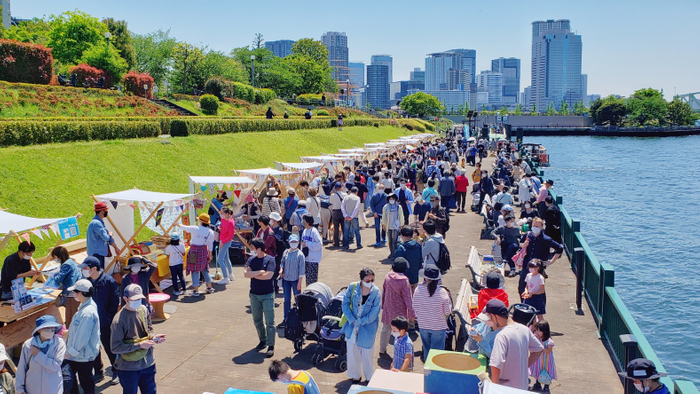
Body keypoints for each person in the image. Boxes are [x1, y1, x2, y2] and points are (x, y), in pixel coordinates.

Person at [110, 284, 165, 394]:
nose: (138, 301)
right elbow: (115, 348)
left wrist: (153, 337)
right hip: (128, 368)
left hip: (148, 363)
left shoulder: (143, 309)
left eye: (140, 298)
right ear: (125, 299)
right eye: (135, 299)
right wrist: (139, 345)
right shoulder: (118, 321)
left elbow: (149, 328)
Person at [81, 257, 120, 386]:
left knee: (110, 347)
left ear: (93, 268)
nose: (83, 271)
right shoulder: (86, 282)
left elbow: (114, 302)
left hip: (105, 322)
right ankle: (98, 371)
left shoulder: (108, 281)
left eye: (85, 268)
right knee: (93, 347)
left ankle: (116, 370)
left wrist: (108, 318)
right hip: (90, 322)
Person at [489, 300, 544, 390]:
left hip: (506, 389)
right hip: (522, 387)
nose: (489, 322)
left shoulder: (502, 336)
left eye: (489, 318)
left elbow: (495, 364)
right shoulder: (524, 329)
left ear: (494, 316)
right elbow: (539, 349)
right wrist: (523, 367)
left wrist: (495, 386)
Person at [341, 268, 381, 383]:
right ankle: (355, 375)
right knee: (353, 351)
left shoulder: (376, 292)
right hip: (352, 326)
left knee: (367, 353)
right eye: (367, 280)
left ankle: (369, 377)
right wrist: (351, 319)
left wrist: (359, 321)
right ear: (361, 279)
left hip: (368, 327)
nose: (370, 282)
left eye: (372, 280)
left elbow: (374, 313)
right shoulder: (353, 287)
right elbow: (345, 304)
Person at [64, 279, 101, 394]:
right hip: (81, 354)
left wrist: (71, 352)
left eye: (74, 292)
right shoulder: (86, 306)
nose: (73, 294)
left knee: (85, 382)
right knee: (84, 381)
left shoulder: (87, 313)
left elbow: (82, 336)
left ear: (80, 293)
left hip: (81, 355)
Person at [16, 315, 65, 394]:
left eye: (52, 328)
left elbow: (55, 366)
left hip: (53, 389)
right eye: (46, 328)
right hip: (32, 389)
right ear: (39, 330)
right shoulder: (28, 344)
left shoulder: (59, 344)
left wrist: (38, 355)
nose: (50, 331)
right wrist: (20, 389)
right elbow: (22, 368)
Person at [244, 238, 276, 358]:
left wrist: (254, 274)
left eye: (252, 247)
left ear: (259, 249)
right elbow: (246, 274)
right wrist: (259, 272)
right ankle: (262, 340)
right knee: (257, 320)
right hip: (254, 294)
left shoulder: (270, 260)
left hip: (267, 294)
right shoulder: (251, 260)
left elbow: (268, 276)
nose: (251, 249)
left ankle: (271, 345)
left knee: (270, 321)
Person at [412, 266, 452, 362]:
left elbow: (415, 307)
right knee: (437, 353)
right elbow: (447, 312)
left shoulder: (418, 290)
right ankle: (435, 371)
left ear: (425, 278)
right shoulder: (442, 292)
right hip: (439, 326)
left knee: (426, 350)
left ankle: (428, 369)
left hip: (423, 325)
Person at [518, 218, 563, 301]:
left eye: (537, 226)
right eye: (534, 225)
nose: (535, 227)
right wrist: (523, 245)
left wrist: (551, 261)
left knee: (538, 289)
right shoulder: (528, 235)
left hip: (539, 268)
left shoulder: (546, 239)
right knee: (522, 286)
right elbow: (520, 244)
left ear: (542, 227)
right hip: (526, 265)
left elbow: (559, 248)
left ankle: (538, 308)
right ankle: (524, 305)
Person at [379, 258, 415, 355]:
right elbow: (408, 298)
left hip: (388, 307)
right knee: (400, 333)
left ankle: (382, 349)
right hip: (400, 311)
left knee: (385, 329)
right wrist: (412, 313)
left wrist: (383, 305)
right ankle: (399, 351)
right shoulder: (404, 281)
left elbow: (384, 292)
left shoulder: (387, 277)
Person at [178, 213, 216, 296]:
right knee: (205, 269)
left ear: (201, 221)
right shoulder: (210, 232)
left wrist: (177, 224)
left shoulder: (195, 228)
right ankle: (209, 287)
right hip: (203, 251)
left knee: (195, 270)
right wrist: (210, 255)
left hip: (194, 251)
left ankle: (196, 290)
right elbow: (210, 245)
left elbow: (184, 227)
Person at [50, 246, 81, 327]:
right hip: (76, 291)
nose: (55, 259)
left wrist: (53, 275)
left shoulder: (66, 265)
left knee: (71, 317)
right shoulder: (72, 262)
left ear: (59, 256)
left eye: (55, 257)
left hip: (70, 294)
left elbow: (59, 279)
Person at [279, 234, 305, 326]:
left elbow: (301, 270)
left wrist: (300, 282)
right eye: (292, 242)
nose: (293, 243)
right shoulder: (286, 252)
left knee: (297, 300)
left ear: (298, 242)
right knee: (286, 300)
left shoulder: (300, 255)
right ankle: (286, 319)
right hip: (286, 279)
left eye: (295, 242)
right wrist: (281, 269)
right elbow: (282, 262)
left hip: (295, 280)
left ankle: (299, 319)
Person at [529, 320, 557, 392]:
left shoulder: (548, 341)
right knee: (538, 371)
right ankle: (537, 384)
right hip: (538, 360)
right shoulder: (537, 338)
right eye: (537, 331)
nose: (537, 333)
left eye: (539, 331)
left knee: (546, 372)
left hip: (546, 361)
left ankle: (546, 386)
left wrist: (541, 347)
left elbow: (548, 351)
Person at [87, 202, 117, 268]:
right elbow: (106, 237)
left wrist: (115, 247)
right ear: (101, 211)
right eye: (106, 210)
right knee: (97, 274)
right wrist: (110, 235)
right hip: (96, 254)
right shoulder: (97, 224)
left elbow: (107, 236)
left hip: (97, 253)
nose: (107, 211)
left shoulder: (99, 222)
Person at [301, 214, 323, 285]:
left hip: (313, 260)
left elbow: (319, 244)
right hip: (306, 258)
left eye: (304, 220)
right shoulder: (304, 231)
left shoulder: (314, 231)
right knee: (307, 280)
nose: (303, 222)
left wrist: (308, 244)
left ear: (307, 222)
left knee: (312, 281)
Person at [382, 193, 404, 260]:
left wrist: (401, 225)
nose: (391, 200)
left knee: (395, 241)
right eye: (390, 199)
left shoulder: (398, 207)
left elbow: (401, 216)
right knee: (390, 241)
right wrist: (383, 224)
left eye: (393, 199)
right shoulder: (385, 207)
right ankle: (391, 252)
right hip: (389, 226)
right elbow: (384, 216)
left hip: (396, 226)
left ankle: (395, 254)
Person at [217, 207, 236, 285]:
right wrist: (220, 228)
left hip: (226, 241)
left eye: (222, 213)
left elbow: (231, 236)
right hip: (223, 240)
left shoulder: (231, 222)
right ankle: (231, 274)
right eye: (220, 213)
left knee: (220, 259)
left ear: (227, 214)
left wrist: (222, 242)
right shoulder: (223, 220)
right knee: (226, 258)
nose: (221, 215)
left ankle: (226, 277)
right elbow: (223, 227)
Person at [329, 182, 347, 247]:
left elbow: (331, 202)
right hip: (343, 212)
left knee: (336, 228)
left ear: (335, 188)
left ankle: (336, 242)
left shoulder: (333, 195)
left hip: (335, 212)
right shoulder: (345, 195)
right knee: (344, 228)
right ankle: (345, 242)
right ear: (341, 187)